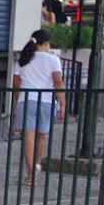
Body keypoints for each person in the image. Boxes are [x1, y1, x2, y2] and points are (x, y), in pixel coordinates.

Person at [12, 28, 66, 187]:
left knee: (28, 138)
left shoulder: (23, 59)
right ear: (46, 43)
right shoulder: (53, 60)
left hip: (26, 100)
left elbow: (16, 85)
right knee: (41, 136)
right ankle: (34, 166)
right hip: (47, 101)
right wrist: (62, 104)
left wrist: (17, 101)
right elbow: (58, 82)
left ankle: (30, 174)